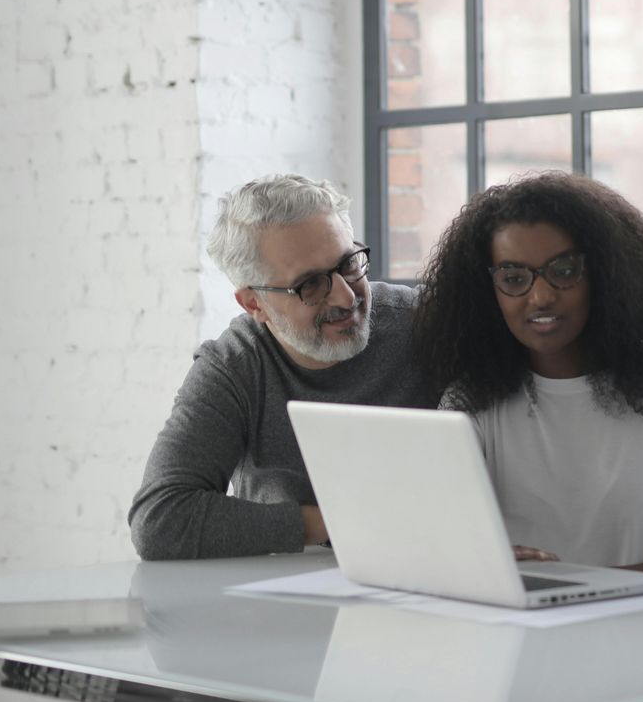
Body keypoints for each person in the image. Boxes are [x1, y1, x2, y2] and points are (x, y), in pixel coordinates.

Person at [412, 172, 643, 586]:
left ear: (602, 274)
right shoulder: (470, 403)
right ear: (487, 291)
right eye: (514, 279)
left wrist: (568, 587)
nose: (541, 296)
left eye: (563, 271)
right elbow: (446, 553)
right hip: (517, 640)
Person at [128, 174, 433, 559]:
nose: (345, 295)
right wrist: (345, 522)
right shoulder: (234, 367)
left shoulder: (422, 323)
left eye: (349, 264)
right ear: (254, 304)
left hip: (428, 574)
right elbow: (159, 521)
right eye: (310, 285)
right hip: (287, 597)